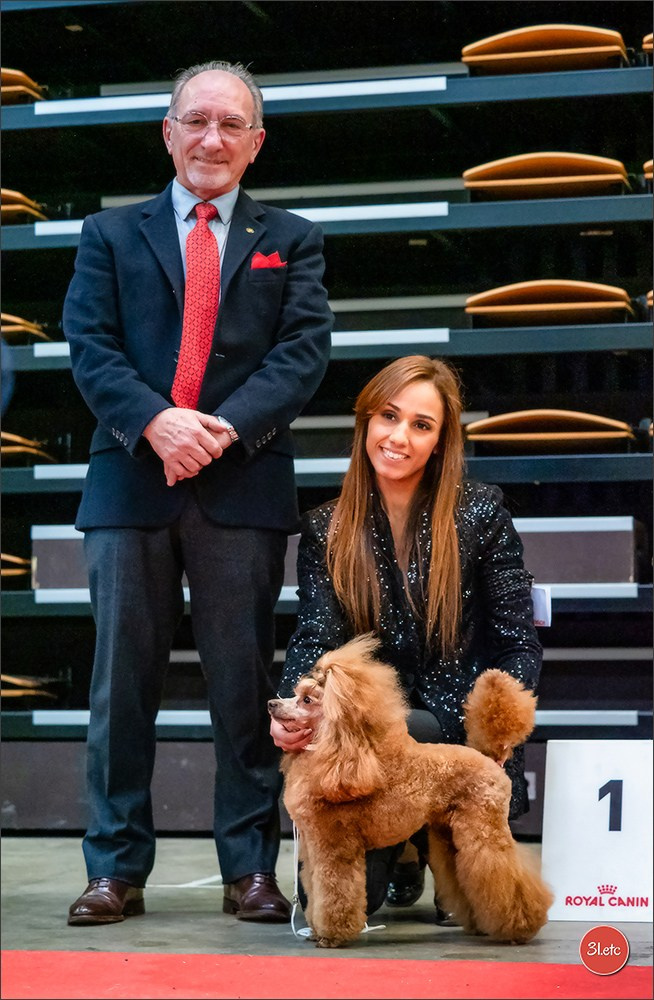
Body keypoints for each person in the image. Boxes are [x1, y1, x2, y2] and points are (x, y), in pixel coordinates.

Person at [63, 60, 333, 926]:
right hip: (129, 484)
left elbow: (302, 353)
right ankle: (114, 869)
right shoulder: (109, 234)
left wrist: (214, 430)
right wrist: (155, 422)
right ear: (168, 132)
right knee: (120, 688)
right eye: (197, 121)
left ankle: (250, 868)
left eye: (231, 125)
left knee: (243, 689)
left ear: (256, 143)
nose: (212, 139)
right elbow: (89, 344)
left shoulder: (293, 238)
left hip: (240, 485)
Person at [270, 355, 542, 920]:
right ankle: (406, 850)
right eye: (388, 416)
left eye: (421, 425)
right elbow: (314, 637)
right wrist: (295, 707)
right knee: (341, 904)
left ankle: (417, 842)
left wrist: (502, 727)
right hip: (369, 743)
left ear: (441, 442)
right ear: (366, 421)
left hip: (457, 730)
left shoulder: (481, 513)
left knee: (467, 911)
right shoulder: (325, 527)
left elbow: (516, 639)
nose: (398, 437)